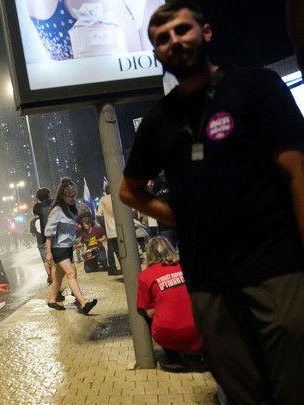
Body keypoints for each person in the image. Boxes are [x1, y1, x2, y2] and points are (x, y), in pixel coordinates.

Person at [118, 2, 304, 403]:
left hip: (277, 267)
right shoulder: (158, 121)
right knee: (242, 394)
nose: (174, 42)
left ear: (205, 33)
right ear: (156, 53)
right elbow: (129, 191)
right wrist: (180, 217)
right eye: (162, 39)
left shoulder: (257, 87)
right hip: (208, 282)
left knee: (295, 385)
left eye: (182, 30)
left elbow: (297, 174)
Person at [136, 236, 199, 372]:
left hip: (168, 334)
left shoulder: (146, 275)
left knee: (144, 313)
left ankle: (173, 357)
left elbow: (147, 310)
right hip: (200, 330)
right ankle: (199, 354)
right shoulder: (184, 266)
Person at [44, 177, 98, 314]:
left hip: (67, 247)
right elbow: (48, 234)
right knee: (71, 273)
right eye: (70, 196)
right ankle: (84, 303)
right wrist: (48, 253)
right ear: (62, 196)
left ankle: (51, 300)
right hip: (58, 248)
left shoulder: (69, 209)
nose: (73, 198)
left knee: (58, 277)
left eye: (74, 196)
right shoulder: (56, 210)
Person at [95, 183, 123, 276]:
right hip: (122, 228)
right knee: (123, 249)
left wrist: (105, 224)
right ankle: (125, 268)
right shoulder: (119, 196)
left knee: (111, 250)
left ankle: (112, 269)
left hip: (110, 230)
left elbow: (98, 215)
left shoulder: (103, 199)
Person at [32, 187, 55, 284]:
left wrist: (35, 198)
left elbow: (34, 210)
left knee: (52, 263)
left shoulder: (37, 207)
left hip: (46, 237)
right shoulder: (54, 202)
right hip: (58, 234)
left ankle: (55, 286)